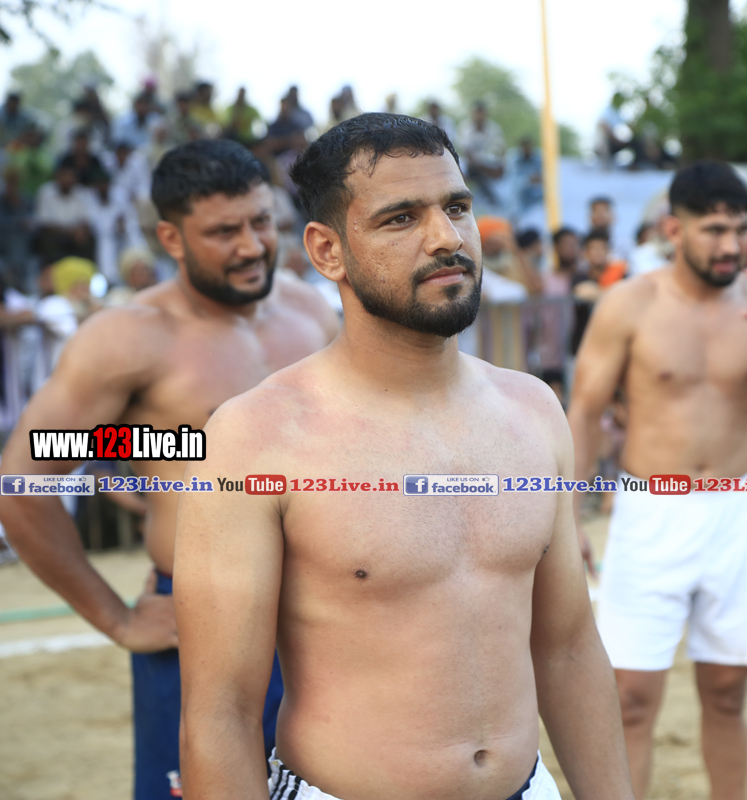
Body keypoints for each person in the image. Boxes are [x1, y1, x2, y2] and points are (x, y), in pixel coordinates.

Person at [175, 112, 633, 800]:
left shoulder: (534, 411)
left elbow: (567, 647)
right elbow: (221, 715)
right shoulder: (255, 439)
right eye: (401, 218)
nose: (447, 238)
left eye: (457, 207)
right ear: (327, 251)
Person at [0, 138, 339, 800]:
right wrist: (116, 618)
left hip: (329, 611)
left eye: (261, 222)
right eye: (223, 232)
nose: (251, 246)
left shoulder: (310, 312)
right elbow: (21, 485)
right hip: (202, 617)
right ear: (170, 238)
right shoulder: (128, 337)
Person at [568, 160, 747, 800]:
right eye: (715, 231)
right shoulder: (629, 304)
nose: (732, 245)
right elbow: (585, 411)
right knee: (630, 696)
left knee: (728, 692)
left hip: (735, 509)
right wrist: (568, 517)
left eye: (739, 230)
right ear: (675, 230)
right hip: (650, 510)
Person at [459, 100, 506, 205]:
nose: (479, 117)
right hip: (472, 164)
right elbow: (466, 152)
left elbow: (500, 149)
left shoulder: (493, 128)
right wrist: (481, 166)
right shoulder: (465, 127)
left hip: (489, 162)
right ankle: (490, 198)